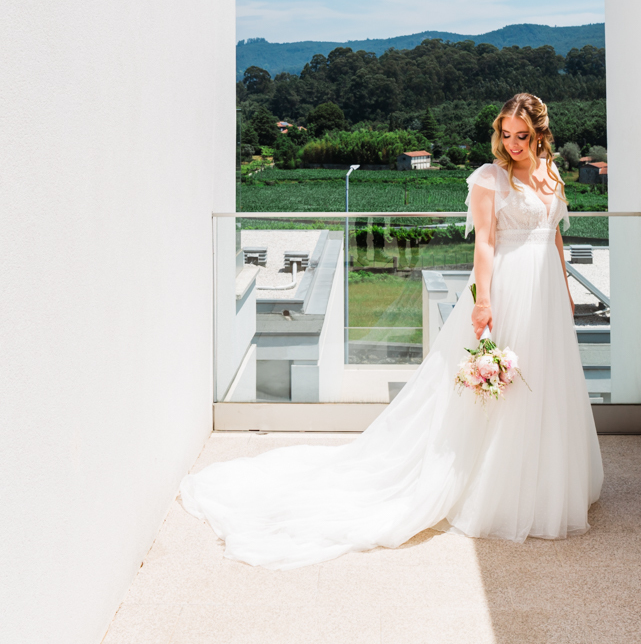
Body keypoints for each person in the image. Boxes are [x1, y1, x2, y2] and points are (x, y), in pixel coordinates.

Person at [181, 93, 603, 570]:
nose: (512, 144)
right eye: (505, 134)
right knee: (498, 390)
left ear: (541, 134)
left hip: (545, 289)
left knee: (545, 379)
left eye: (521, 136)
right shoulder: (489, 178)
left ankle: (544, 479)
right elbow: (484, 242)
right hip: (508, 286)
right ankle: (496, 485)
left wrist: (566, 287)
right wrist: (483, 300)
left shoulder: (552, 174)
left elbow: (556, 235)